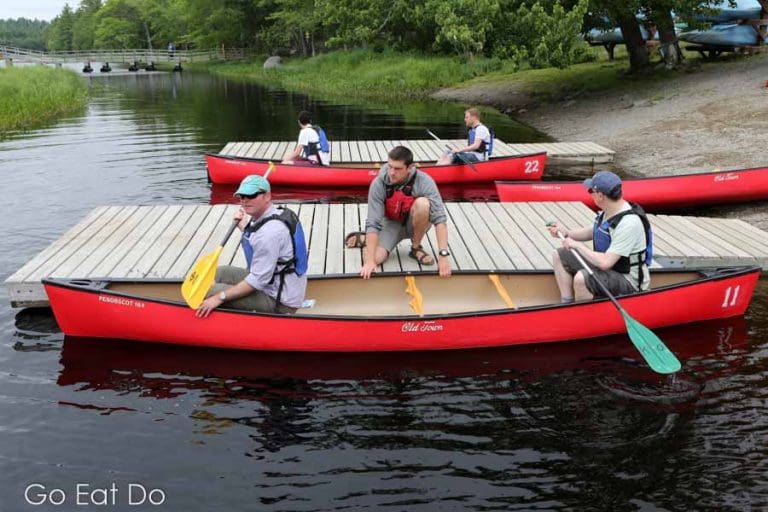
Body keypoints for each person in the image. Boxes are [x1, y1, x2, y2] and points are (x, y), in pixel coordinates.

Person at [196, 175, 308, 318]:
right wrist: (244, 227)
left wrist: (219, 297)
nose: (245, 200)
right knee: (216, 273)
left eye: (251, 195)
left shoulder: (270, 232)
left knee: (208, 291)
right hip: (274, 284)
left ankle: (213, 310)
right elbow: (260, 243)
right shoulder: (278, 214)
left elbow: (257, 280)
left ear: (267, 196)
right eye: (242, 196)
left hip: (279, 301)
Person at [546, 170, 652, 303]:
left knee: (582, 279)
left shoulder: (628, 223)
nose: (590, 194)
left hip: (628, 280)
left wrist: (578, 246)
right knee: (559, 254)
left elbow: (605, 263)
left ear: (601, 196)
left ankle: (581, 317)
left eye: (591, 191)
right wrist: (567, 233)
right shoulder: (611, 209)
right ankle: (566, 302)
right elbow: (595, 231)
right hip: (610, 268)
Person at [349, 145, 452, 279]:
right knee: (375, 258)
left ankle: (416, 248)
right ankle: (366, 240)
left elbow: (440, 220)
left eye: (397, 169)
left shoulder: (425, 181)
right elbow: (373, 222)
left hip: (414, 222)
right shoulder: (378, 184)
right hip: (390, 224)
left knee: (423, 204)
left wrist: (443, 256)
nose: (391, 172)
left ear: (410, 168)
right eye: (390, 166)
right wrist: (369, 262)